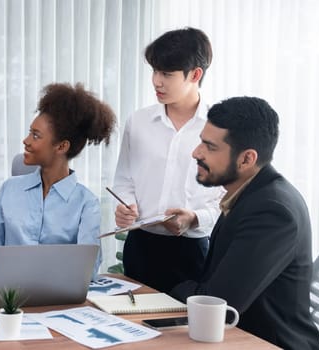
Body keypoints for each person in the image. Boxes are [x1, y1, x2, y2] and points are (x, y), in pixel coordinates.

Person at [170, 96, 319, 349]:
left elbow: (218, 305)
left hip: (269, 343)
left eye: (210, 146)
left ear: (246, 159)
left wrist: (176, 288)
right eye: (201, 142)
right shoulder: (249, 194)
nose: (196, 153)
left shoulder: (272, 211)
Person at [112, 27, 224, 292]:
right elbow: (124, 179)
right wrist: (126, 206)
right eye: (154, 71)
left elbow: (225, 199)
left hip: (191, 251)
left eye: (166, 74)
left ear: (195, 74)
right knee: (133, 326)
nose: (156, 81)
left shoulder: (218, 128)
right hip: (140, 246)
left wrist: (195, 218)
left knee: (182, 329)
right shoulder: (138, 121)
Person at [0, 83, 116, 282]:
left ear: (62, 146)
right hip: (7, 297)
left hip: (58, 301)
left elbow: (86, 270)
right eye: (30, 132)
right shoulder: (10, 189)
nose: (26, 141)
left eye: (36, 136)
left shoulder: (86, 203)